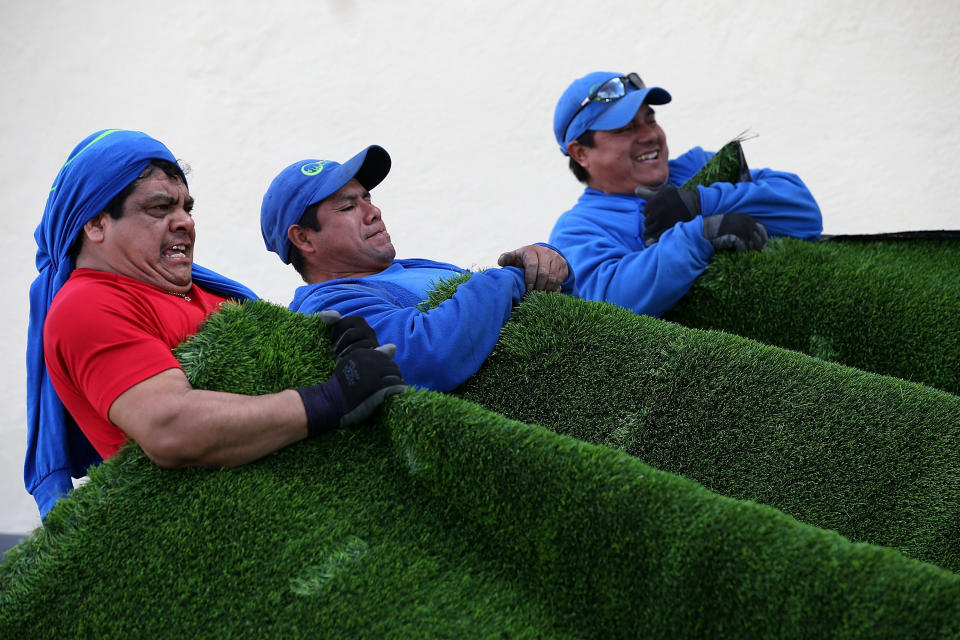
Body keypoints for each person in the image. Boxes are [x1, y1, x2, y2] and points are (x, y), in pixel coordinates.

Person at [27, 129, 406, 518]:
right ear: (96, 224)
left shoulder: (207, 294)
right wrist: (331, 398)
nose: (184, 223)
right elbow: (170, 427)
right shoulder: (88, 304)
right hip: (215, 530)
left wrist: (325, 354)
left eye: (186, 209)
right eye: (160, 209)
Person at [260, 145, 573, 392]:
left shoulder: (413, 267)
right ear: (303, 238)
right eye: (348, 207)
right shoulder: (327, 305)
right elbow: (426, 356)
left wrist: (546, 263)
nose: (374, 212)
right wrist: (509, 278)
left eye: (367, 198)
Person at [550, 70, 823, 317]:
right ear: (581, 153)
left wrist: (702, 202)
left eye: (651, 120)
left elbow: (804, 213)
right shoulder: (577, 229)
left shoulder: (699, 166)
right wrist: (700, 235)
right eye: (625, 129)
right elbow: (609, 305)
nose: (651, 136)